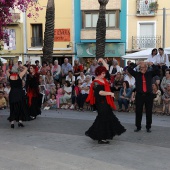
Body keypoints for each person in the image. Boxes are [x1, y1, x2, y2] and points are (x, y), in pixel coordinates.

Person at [85, 58, 126, 144]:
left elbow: (106, 68)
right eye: (102, 73)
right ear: (98, 73)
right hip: (100, 103)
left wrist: (102, 61)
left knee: (106, 118)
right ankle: (101, 138)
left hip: (104, 102)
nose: (104, 74)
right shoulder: (96, 82)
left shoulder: (102, 79)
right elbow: (100, 92)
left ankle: (101, 134)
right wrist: (110, 93)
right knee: (103, 119)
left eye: (104, 73)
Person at [128, 61, 159, 133]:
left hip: (148, 95)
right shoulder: (137, 74)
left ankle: (148, 127)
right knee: (138, 111)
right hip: (139, 95)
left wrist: (153, 64)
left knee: (149, 111)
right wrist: (136, 64)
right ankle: (138, 127)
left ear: (146, 68)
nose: (141, 69)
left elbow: (157, 71)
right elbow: (129, 70)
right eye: (140, 67)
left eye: (143, 67)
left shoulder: (149, 74)